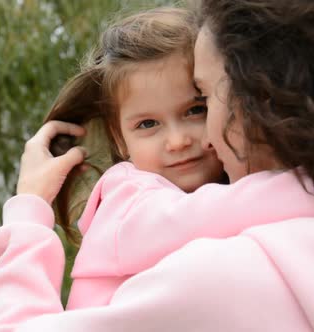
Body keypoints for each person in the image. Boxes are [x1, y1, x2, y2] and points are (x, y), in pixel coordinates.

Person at [0, 0, 314, 331]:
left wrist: (28, 216)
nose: (187, 140)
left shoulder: (227, 276)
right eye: (148, 124)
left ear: (263, 101)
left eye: (201, 101)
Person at [41, 7, 228, 309]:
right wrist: (307, 187)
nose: (178, 141)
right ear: (119, 138)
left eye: (195, 111)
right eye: (148, 124)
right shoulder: (126, 196)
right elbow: (203, 215)